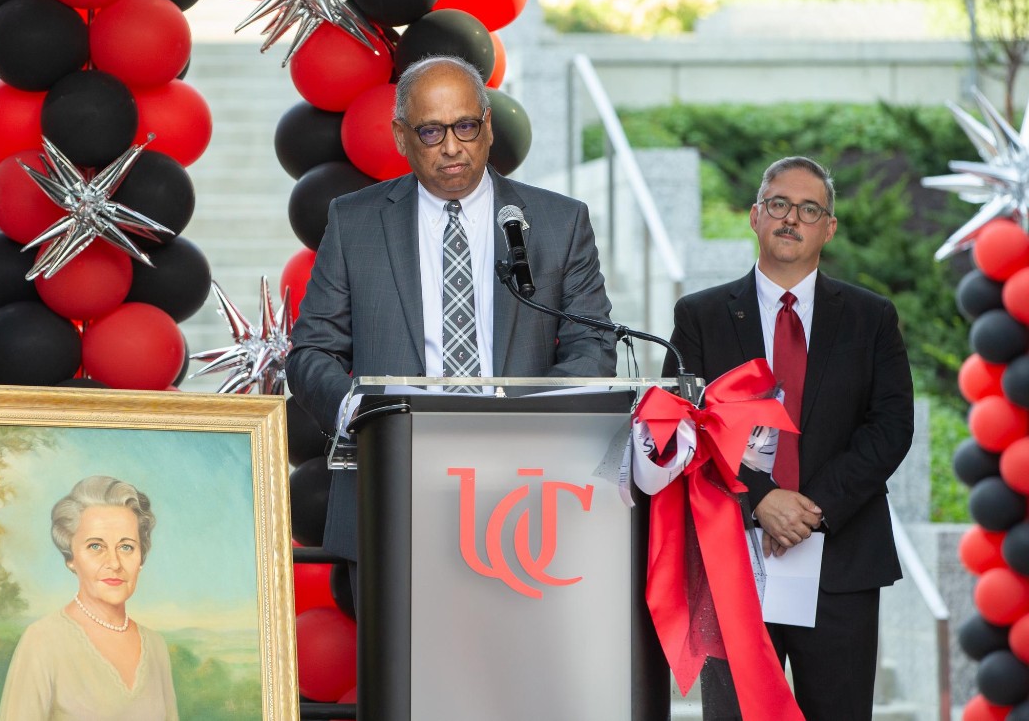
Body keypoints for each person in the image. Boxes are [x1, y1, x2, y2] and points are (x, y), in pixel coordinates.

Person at [287, 54, 618, 561]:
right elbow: (311, 352)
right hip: (392, 485)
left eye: (465, 126)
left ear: (487, 127)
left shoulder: (557, 222)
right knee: (403, 643)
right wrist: (365, 414)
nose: (452, 148)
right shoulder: (356, 222)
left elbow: (593, 344)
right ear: (400, 136)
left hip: (525, 486)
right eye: (431, 132)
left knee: (513, 643)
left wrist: (527, 419)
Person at [663, 156, 913, 721]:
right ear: (755, 216)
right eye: (778, 204)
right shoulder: (700, 316)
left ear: (829, 227)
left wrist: (811, 508)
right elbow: (682, 424)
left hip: (841, 561)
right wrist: (760, 498)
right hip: (734, 560)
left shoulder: (870, 318)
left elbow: (892, 425)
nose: (790, 218)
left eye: (808, 209)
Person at [0, 476, 179, 721]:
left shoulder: (156, 647)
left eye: (126, 547)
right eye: (96, 546)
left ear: (141, 558)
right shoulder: (42, 641)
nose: (114, 563)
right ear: (71, 557)